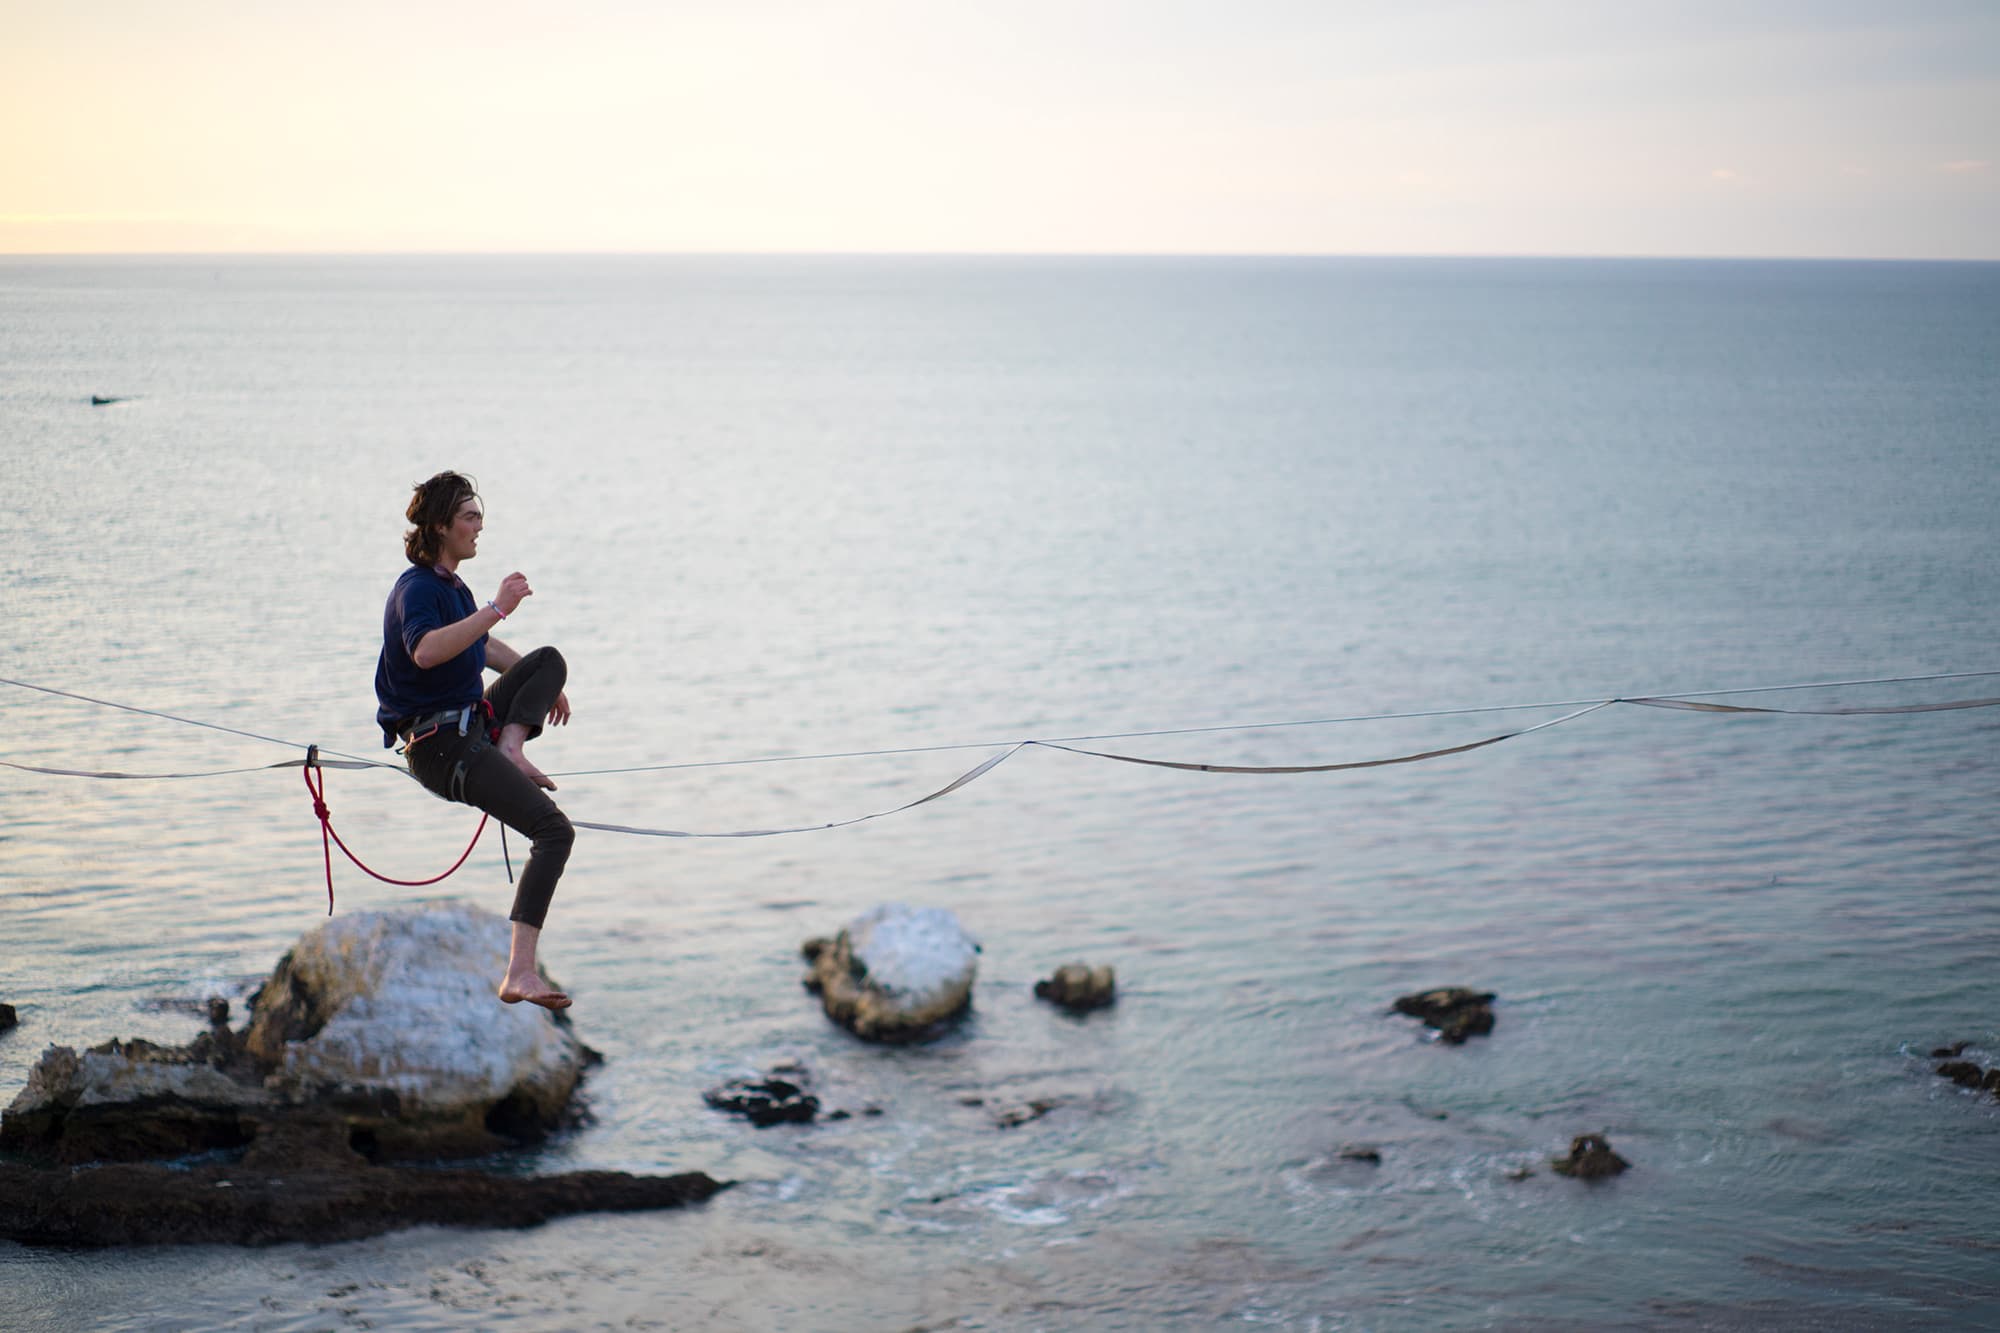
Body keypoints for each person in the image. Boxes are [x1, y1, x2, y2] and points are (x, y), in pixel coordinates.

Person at [373, 471, 576, 1010]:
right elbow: (427, 651)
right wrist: (499, 606)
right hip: (440, 744)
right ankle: (520, 972)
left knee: (549, 658)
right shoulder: (416, 588)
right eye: (469, 515)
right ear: (441, 526)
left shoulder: (453, 589)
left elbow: (480, 647)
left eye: (478, 515)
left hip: (470, 726)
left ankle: (512, 745)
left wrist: (541, 681)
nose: (479, 525)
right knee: (554, 832)